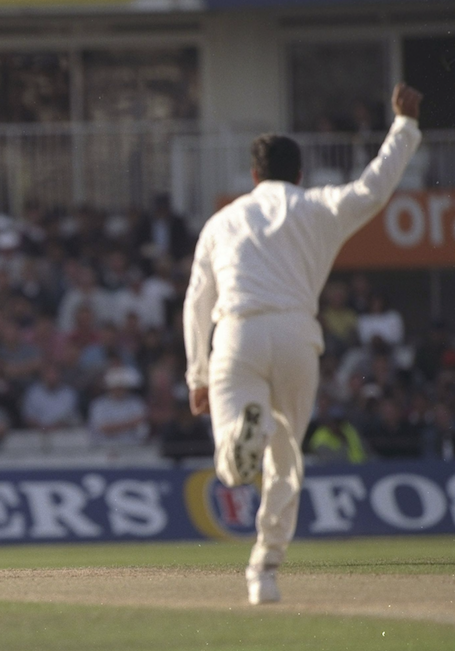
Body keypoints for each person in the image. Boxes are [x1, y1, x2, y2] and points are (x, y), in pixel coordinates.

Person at [182, 82, 423, 605]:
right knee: (286, 458)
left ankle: (242, 441)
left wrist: (197, 375)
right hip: (296, 334)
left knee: (233, 458)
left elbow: (196, 301)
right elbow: (374, 190)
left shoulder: (222, 221)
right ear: (299, 174)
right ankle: (264, 571)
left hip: (238, 333)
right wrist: (403, 128)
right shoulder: (318, 207)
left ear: (253, 176)